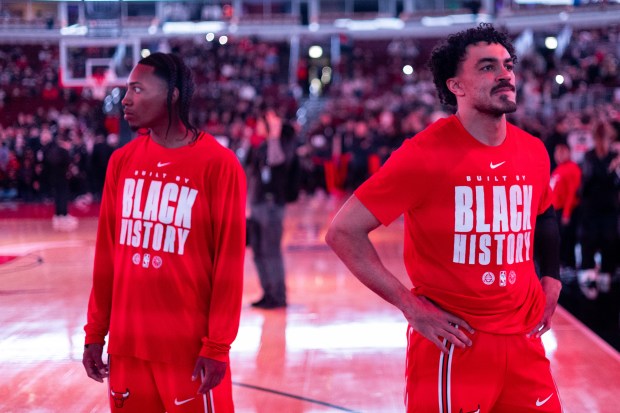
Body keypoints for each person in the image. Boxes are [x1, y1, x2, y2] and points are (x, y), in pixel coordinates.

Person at [326, 24, 563, 412]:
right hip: (455, 345)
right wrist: (410, 306)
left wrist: (551, 277)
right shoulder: (424, 154)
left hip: (524, 340)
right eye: (487, 67)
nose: (505, 74)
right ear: (457, 86)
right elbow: (343, 232)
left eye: (508, 65)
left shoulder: (533, 150)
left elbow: (546, 215)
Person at [82, 52, 246, 413]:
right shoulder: (121, 161)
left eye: (137, 89)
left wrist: (217, 345)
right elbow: (107, 254)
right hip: (127, 348)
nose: (125, 99)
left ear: (172, 94)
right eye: (127, 89)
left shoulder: (219, 165)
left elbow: (229, 264)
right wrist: (95, 332)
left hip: (188, 350)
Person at [247, 108, 298, 309]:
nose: (257, 126)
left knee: (271, 252)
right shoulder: (261, 146)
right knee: (258, 251)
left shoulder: (283, 144)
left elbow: (277, 161)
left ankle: (278, 296)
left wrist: (276, 135)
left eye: (262, 122)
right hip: (257, 204)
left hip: (271, 206)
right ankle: (268, 292)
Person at [550, 141, 581, 275]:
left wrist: (567, 213)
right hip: (555, 210)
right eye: (557, 152)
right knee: (559, 240)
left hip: (565, 211)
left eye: (561, 151)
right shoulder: (558, 169)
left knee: (567, 239)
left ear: (568, 152)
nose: (558, 155)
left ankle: (568, 265)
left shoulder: (572, 168)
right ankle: (562, 264)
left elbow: (572, 193)